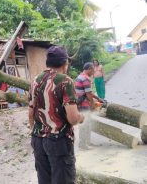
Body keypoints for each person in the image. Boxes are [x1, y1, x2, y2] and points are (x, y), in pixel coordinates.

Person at [29, 46, 84, 184]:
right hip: (58, 141)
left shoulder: (36, 80)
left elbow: (31, 113)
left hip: (37, 140)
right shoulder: (65, 81)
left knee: (45, 180)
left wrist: (38, 133)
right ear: (65, 63)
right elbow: (72, 118)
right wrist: (81, 118)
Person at [75, 62, 104, 149]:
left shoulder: (79, 77)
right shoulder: (85, 79)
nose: (93, 72)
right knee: (85, 123)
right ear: (89, 69)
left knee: (87, 123)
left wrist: (98, 98)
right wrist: (92, 104)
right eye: (93, 70)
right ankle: (83, 144)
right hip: (84, 104)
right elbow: (88, 94)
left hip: (80, 103)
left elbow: (88, 92)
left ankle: (87, 142)